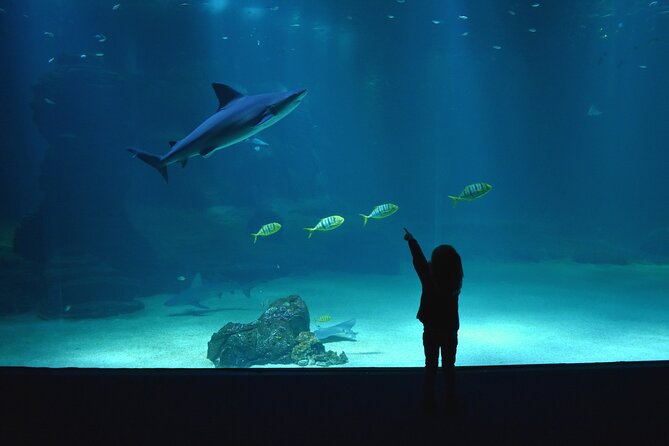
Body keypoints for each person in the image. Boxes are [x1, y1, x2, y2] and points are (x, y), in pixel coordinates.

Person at [403, 228, 463, 414]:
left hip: (431, 330)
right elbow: (425, 264)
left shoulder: (429, 280)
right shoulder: (456, 281)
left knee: (430, 366)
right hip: (450, 331)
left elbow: (419, 262)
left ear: (434, 265)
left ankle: (428, 402)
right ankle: (451, 402)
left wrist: (411, 241)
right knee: (449, 367)